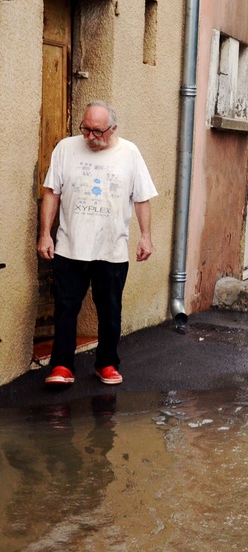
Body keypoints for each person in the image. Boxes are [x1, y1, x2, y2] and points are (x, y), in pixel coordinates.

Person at [37, 101, 158, 386]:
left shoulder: (129, 153)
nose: (90, 137)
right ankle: (62, 366)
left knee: (109, 311)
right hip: (70, 246)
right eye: (86, 130)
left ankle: (106, 364)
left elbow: (141, 197)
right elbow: (51, 193)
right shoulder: (65, 148)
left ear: (113, 128)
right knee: (66, 309)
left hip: (111, 249)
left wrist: (146, 235)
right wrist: (45, 234)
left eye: (98, 132)